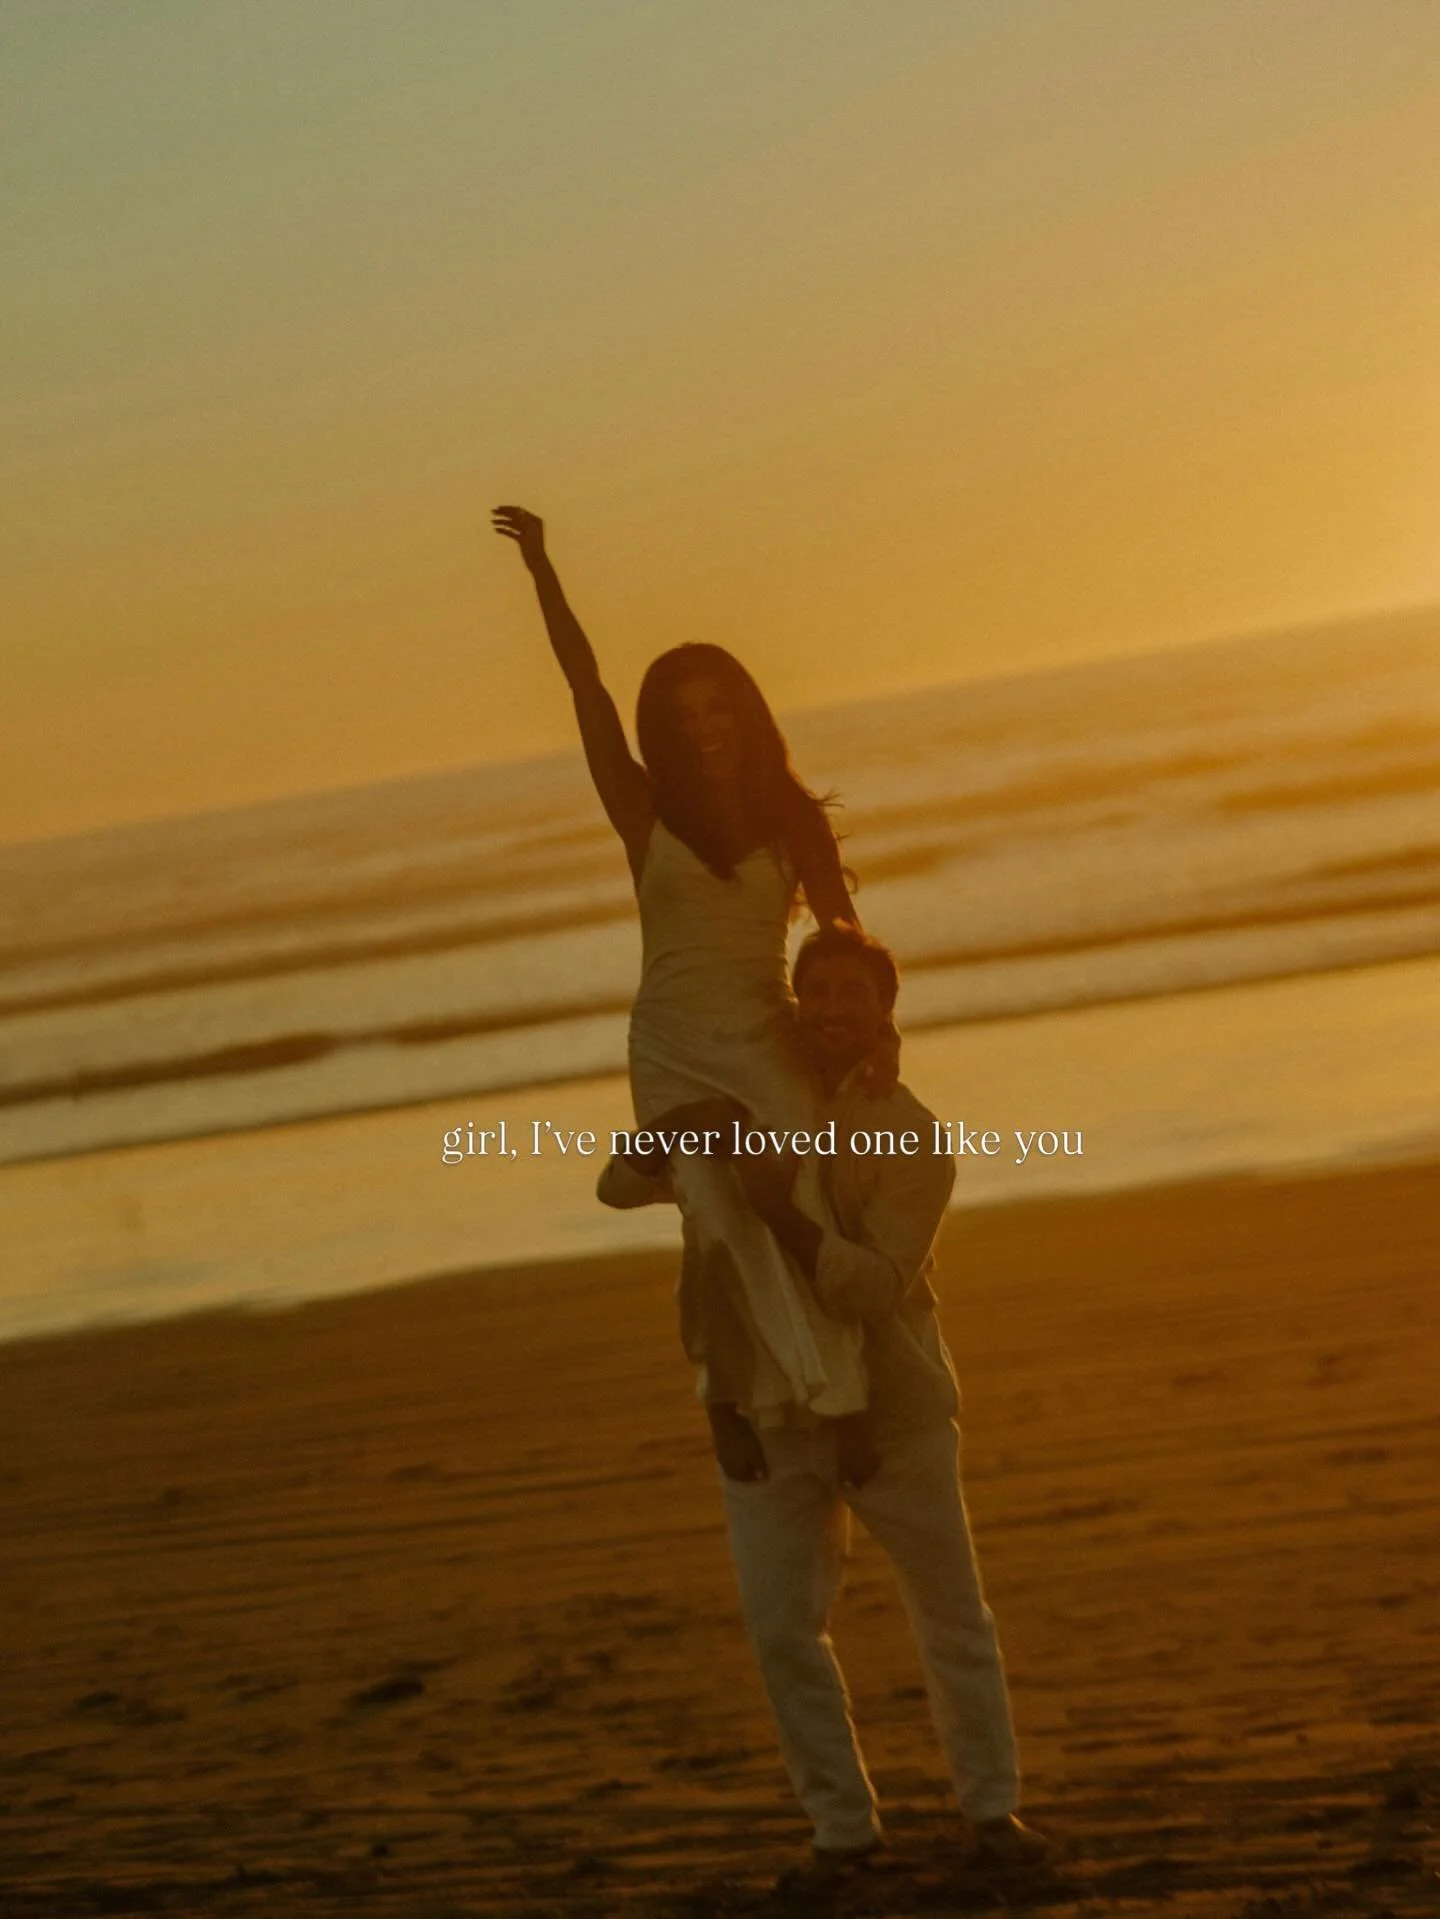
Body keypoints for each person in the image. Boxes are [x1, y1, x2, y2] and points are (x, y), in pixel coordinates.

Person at [598, 921, 1049, 1889]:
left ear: (886, 1012)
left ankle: (992, 1808)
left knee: (952, 1615)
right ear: (795, 1003)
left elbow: (875, 1287)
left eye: (855, 992)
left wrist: (783, 1212)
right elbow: (619, 1188)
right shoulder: (763, 1099)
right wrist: (675, 1128)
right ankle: (842, 1828)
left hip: (895, 1412)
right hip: (764, 1409)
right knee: (781, 1631)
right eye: (819, 990)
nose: (834, 1007)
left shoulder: (911, 1132)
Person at [492, 506, 887, 1469]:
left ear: (747, 716)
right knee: (713, 1220)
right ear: (662, 734)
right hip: (671, 1046)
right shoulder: (642, 811)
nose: (705, 731)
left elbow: (844, 938)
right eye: (684, 718)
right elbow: (584, 685)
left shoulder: (793, 820)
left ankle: (844, 1394)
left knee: (800, 1201)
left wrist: (874, 1037)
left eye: (719, 710)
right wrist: (543, 570)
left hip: (766, 1035)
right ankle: (726, 1394)